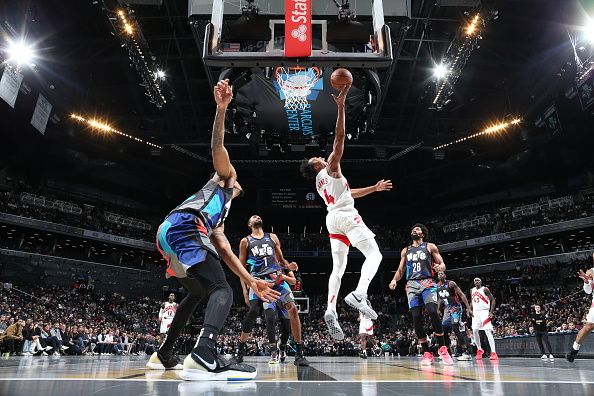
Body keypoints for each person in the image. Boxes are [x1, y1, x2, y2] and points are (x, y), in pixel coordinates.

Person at [146, 79, 280, 381]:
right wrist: (221, 109)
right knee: (221, 290)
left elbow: (225, 252)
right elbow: (217, 146)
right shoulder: (226, 178)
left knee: (197, 290)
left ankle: (164, 353)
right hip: (184, 226)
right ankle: (204, 353)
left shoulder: (218, 217)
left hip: (169, 234)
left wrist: (250, 280)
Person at [299, 84, 392, 340]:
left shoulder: (320, 185)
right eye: (315, 158)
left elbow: (348, 195)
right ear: (316, 165)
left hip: (332, 219)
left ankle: (330, 309)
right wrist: (340, 107)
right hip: (347, 217)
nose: (319, 155)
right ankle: (359, 293)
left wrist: (373, 188)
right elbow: (339, 138)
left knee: (337, 269)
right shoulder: (330, 169)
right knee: (375, 256)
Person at [235, 215, 308, 366]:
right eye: (253, 217)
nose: (256, 216)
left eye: (258, 216)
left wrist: (289, 267)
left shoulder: (272, 237)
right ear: (249, 224)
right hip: (258, 282)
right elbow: (241, 269)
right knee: (253, 312)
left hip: (275, 281)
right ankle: (240, 349)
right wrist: (244, 291)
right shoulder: (245, 241)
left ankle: (299, 353)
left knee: (293, 309)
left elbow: (281, 261)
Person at [388, 224, 453, 366]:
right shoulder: (406, 250)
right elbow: (400, 270)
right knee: (416, 317)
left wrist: (440, 267)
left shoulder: (430, 246)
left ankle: (443, 349)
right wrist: (394, 280)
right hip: (411, 284)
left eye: (417, 229)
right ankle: (426, 352)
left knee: (432, 312)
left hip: (428, 283)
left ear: (423, 233)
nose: (414, 230)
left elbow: (442, 264)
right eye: (412, 229)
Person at [436, 271, 473, 361]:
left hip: (456, 307)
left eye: (442, 273)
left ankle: (466, 353)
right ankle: (448, 353)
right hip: (447, 309)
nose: (440, 275)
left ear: (445, 275)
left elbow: (461, 294)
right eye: (438, 274)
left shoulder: (451, 283)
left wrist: (468, 308)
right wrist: (438, 309)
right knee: (443, 330)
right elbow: (440, 298)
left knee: (455, 328)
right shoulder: (437, 286)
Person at [566, 257, 594, 362]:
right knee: (589, 326)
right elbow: (588, 292)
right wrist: (586, 282)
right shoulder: (591, 271)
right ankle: (574, 349)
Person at [470, 277, 498, 360]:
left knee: (487, 331)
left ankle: (493, 352)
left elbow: (493, 300)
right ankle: (479, 349)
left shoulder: (485, 289)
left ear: (481, 282)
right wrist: (470, 309)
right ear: (474, 282)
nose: (477, 281)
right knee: (474, 330)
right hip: (475, 312)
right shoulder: (472, 290)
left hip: (484, 312)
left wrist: (491, 312)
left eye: (478, 280)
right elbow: (472, 301)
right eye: (475, 280)